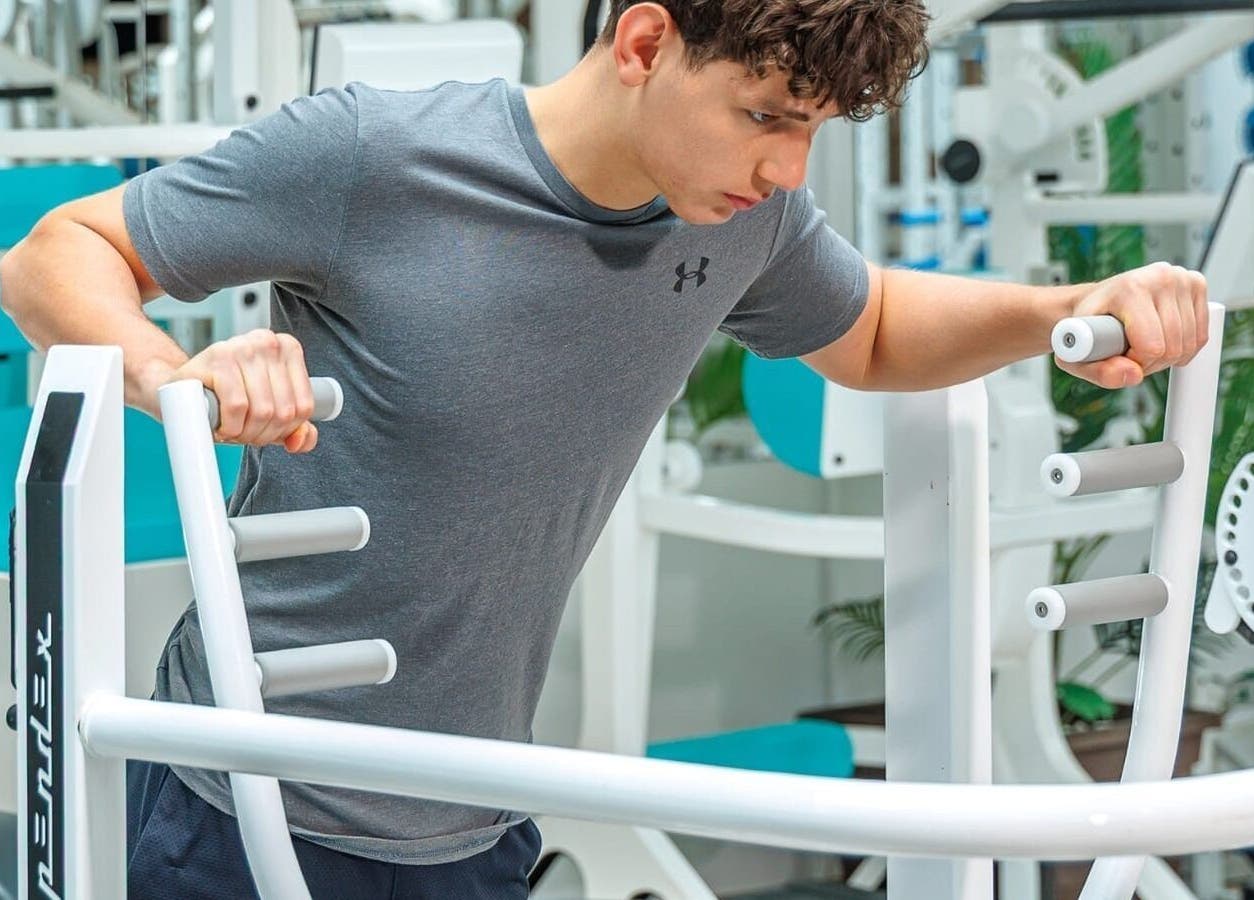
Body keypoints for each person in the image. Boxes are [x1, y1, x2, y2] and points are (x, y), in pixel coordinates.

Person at [0, 1, 1209, 897]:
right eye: (765, 119)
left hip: (479, 815)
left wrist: (1058, 310)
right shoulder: (372, 156)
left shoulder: (750, 220)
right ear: (643, 45)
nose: (789, 168)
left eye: (815, 133)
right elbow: (52, 255)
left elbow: (876, 326)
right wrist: (178, 376)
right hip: (246, 794)